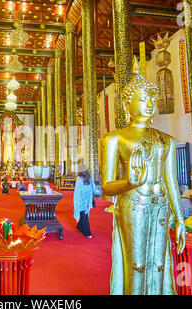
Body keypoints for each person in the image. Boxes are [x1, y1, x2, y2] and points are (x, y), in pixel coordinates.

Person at [101, 58, 185, 295]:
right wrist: (129, 183)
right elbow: (106, 186)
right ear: (128, 104)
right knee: (136, 265)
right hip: (133, 205)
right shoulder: (115, 139)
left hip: (160, 207)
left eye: (151, 99)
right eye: (142, 99)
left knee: (158, 265)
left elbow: (172, 182)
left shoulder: (166, 139)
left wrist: (179, 219)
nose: (148, 104)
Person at [73, 168, 96, 238]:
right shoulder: (89, 178)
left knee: (84, 215)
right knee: (84, 213)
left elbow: (77, 190)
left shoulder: (79, 178)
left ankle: (87, 233)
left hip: (81, 199)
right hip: (87, 199)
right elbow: (94, 187)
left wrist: (76, 200)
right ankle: (79, 226)